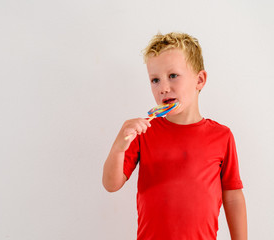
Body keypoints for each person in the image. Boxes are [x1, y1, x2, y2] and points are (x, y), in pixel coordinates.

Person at [102, 32, 247, 240]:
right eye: (155, 80)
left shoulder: (221, 136)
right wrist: (118, 148)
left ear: (199, 80)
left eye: (172, 76)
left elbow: (233, 196)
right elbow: (111, 184)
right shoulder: (143, 132)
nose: (163, 88)